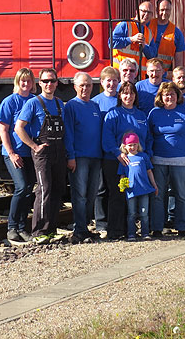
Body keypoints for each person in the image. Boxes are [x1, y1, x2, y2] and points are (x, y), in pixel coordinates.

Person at [15, 68, 73, 245]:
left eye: (52, 81)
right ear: (40, 83)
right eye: (45, 81)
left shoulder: (59, 104)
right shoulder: (33, 103)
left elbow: (67, 132)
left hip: (59, 151)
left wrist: (70, 155)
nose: (49, 84)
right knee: (44, 189)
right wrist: (34, 146)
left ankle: (51, 229)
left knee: (57, 189)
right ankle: (39, 231)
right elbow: (19, 127)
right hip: (43, 153)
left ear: (57, 83)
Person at [102, 80, 153, 239]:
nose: (128, 96)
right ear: (120, 95)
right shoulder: (113, 113)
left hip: (138, 162)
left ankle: (134, 230)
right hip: (116, 161)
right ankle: (116, 231)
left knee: (136, 195)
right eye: (125, 93)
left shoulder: (141, 115)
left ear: (135, 96)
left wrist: (147, 155)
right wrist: (118, 153)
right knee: (118, 194)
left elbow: (148, 138)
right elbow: (107, 137)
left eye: (131, 93)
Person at [147, 82, 185, 237]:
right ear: (161, 97)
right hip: (159, 160)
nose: (169, 97)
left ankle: (182, 227)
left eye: (172, 94)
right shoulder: (154, 113)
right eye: (166, 94)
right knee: (158, 194)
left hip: (181, 160)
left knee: (181, 194)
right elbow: (148, 137)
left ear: (178, 96)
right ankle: (157, 227)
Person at [63, 72, 103, 244]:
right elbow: (69, 133)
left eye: (88, 85)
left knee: (92, 193)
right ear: (75, 87)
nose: (85, 88)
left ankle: (84, 226)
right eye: (82, 85)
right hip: (79, 157)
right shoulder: (71, 106)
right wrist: (70, 156)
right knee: (79, 194)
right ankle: (79, 230)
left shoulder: (94, 106)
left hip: (96, 156)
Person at [0, 67, 36, 243]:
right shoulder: (9, 102)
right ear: (17, 82)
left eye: (28, 81)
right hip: (14, 152)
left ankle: (22, 227)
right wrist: (11, 152)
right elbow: (3, 129)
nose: (26, 83)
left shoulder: (35, 100)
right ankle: (12, 227)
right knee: (21, 187)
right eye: (23, 80)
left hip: (30, 153)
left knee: (29, 189)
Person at [91, 66, 119, 237]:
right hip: (100, 151)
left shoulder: (122, 100)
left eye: (114, 80)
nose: (111, 83)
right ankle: (101, 223)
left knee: (117, 189)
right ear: (102, 83)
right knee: (101, 188)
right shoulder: (95, 102)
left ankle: (116, 222)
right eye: (108, 80)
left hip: (118, 153)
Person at [117, 132, 158, 241]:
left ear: (138, 145)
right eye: (130, 145)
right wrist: (122, 184)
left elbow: (149, 171)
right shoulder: (124, 159)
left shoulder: (143, 156)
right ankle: (131, 234)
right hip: (131, 191)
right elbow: (122, 174)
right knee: (131, 213)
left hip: (144, 189)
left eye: (135, 144)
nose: (132, 147)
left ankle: (145, 233)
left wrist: (154, 185)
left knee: (144, 213)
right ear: (124, 146)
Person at [109, 0, 156, 78]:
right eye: (144, 11)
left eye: (149, 13)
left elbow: (153, 55)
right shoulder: (125, 25)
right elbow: (111, 43)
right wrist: (131, 39)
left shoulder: (149, 32)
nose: (146, 15)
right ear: (137, 12)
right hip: (121, 74)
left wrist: (144, 46)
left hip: (138, 77)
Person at [146, 0, 185, 74]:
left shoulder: (177, 33)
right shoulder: (147, 26)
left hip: (163, 76)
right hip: (145, 73)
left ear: (171, 11)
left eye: (167, 10)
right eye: (162, 10)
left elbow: (179, 62)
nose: (164, 13)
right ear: (157, 10)